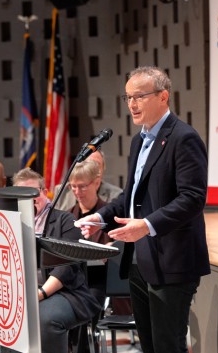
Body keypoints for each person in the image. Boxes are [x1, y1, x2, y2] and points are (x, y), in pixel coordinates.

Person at [78, 66, 210, 353]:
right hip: (139, 261)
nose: (132, 104)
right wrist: (100, 217)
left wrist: (147, 225)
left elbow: (193, 198)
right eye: (127, 98)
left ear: (163, 97)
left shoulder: (183, 138)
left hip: (172, 261)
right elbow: (132, 196)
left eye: (139, 96)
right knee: (148, 346)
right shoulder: (139, 141)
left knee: (167, 345)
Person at [0, 168, 99, 353]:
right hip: (14, 293)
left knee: (43, 319)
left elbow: (67, 266)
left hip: (61, 292)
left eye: (33, 193)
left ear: (44, 191)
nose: (29, 199)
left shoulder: (64, 220)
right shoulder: (5, 222)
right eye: (21, 195)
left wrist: (39, 294)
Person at [67, 161, 110, 306]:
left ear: (97, 183)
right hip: (72, 280)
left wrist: (112, 247)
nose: (77, 192)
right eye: (73, 186)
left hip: (100, 281)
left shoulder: (109, 214)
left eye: (82, 186)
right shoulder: (67, 216)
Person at [53, 149, 123, 211]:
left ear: (104, 168)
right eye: (88, 164)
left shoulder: (116, 195)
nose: (93, 169)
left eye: (97, 165)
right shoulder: (62, 191)